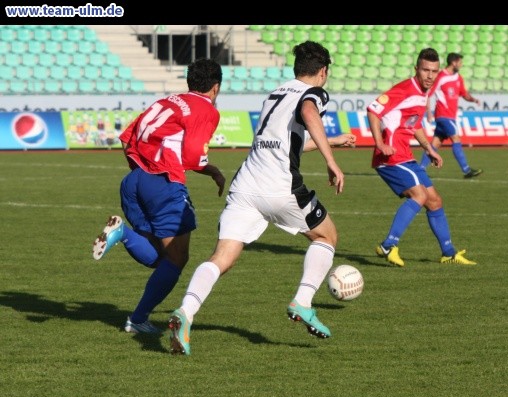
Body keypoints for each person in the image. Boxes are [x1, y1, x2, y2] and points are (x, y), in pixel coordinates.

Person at [168, 41, 349, 355]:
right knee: (326, 236)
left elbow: (283, 142)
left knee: (222, 257)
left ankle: (186, 312)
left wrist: (330, 141)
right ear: (322, 72)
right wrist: (331, 161)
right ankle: (303, 301)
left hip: (245, 186)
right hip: (280, 187)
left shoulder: (275, 94)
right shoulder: (314, 93)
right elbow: (308, 111)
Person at [91, 58, 226, 334]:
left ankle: (123, 235)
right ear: (215, 87)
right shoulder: (206, 109)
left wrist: (141, 174)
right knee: (177, 259)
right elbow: (192, 155)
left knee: (158, 256)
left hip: (134, 181)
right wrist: (211, 169)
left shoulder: (167, 101)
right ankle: (137, 319)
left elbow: (127, 138)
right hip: (163, 183)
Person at [367, 47, 477, 268]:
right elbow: (373, 110)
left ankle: (448, 252)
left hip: (405, 156)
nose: (430, 75)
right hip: (390, 156)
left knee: (434, 200)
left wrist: (429, 148)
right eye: (425, 70)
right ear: (416, 69)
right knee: (419, 195)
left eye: (434, 71)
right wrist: (380, 144)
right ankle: (389, 244)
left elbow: (413, 124)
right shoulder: (405, 89)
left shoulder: (423, 93)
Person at [420, 52, 483, 178]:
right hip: (444, 115)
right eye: (460, 62)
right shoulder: (440, 76)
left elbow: (464, 94)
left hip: (450, 116)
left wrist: (474, 100)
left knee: (435, 144)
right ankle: (466, 170)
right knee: (456, 139)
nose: (461, 65)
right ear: (454, 62)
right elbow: (428, 93)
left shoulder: (458, 78)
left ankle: (420, 168)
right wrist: (428, 112)